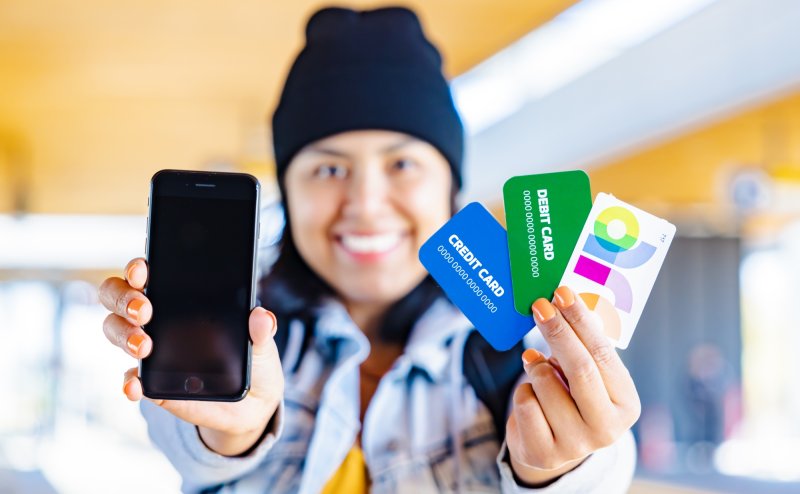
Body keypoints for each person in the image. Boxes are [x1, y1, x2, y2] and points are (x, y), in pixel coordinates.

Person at [98, 7, 640, 493]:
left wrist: (554, 466)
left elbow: (606, 466)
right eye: (329, 169)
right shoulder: (241, 332)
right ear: (290, 194)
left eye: (402, 164)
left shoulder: (521, 343)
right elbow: (187, 447)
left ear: (451, 190)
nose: (365, 203)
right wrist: (231, 432)